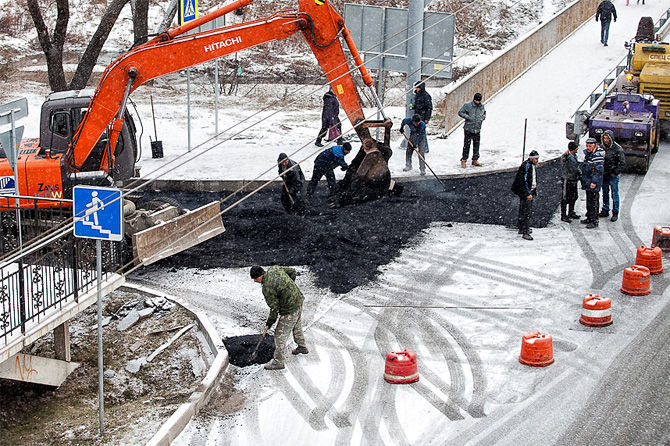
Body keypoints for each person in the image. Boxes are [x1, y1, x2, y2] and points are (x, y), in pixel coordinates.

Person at [250, 265, 308, 370]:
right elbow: (292, 272)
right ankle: (302, 346)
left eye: (255, 278)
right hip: (298, 299)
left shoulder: (267, 287)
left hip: (289, 309)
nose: (254, 281)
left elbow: (274, 308)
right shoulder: (274, 269)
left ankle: (278, 362)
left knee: (279, 336)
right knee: (296, 325)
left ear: (260, 276)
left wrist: (270, 322)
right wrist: (289, 289)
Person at [511, 150, 540, 241]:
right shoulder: (527, 166)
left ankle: (522, 227)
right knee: (527, 211)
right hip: (525, 192)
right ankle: (525, 231)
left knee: (523, 210)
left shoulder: (529, 165)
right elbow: (523, 181)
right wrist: (528, 193)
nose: (537, 161)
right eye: (536, 159)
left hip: (525, 191)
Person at [599, 130, 626, 222]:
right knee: (605, 192)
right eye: (604, 138)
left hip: (613, 175)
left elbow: (622, 163)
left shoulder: (618, 149)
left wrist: (615, 172)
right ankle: (605, 209)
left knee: (614, 193)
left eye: (607, 138)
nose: (606, 140)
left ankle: (615, 212)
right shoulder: (602, 147)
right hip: (604, 174)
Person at [580, 137, 605, 229]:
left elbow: (598, 171)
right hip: (588, 181)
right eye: (587, 146)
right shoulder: (589, 154)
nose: (588, 147)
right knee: (589, 200)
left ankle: (594, 220)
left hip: (592, 182)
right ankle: (589, 217)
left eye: (590, 146)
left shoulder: (597, 156)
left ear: (595, 145)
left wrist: (594, 182)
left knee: (593, 201)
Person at [458, 92, 486, 168]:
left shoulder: (482, 106)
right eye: (476, 100)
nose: (477, 102)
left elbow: (484, 113)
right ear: (474, 99)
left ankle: (475, 159)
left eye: (479, 101)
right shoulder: (468, 105)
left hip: (477, 128)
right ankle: (464, 160)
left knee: (476, 145)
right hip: (468, 128)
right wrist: (468, 117)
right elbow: (460, 112)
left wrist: (482, 118)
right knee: (467, 145)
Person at [560, 141, 581, 222]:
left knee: (574, 196)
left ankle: (570, 212)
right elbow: (573, 168)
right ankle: (564, 215)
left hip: (572, 180)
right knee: (565, 198)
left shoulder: (573, 156)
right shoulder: (568, 157)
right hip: (568, 180)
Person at [410, 81, 432, 152]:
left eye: (417, 87)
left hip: (422, 116)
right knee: (419, 132)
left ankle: (425, 147)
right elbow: (419, 105)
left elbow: (429, 108)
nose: (416, 89)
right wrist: (414, 107)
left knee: (422, 132)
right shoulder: (418, 95)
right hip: (418, 116)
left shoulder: (426, 96)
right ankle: (422, 146)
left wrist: (427, 118)